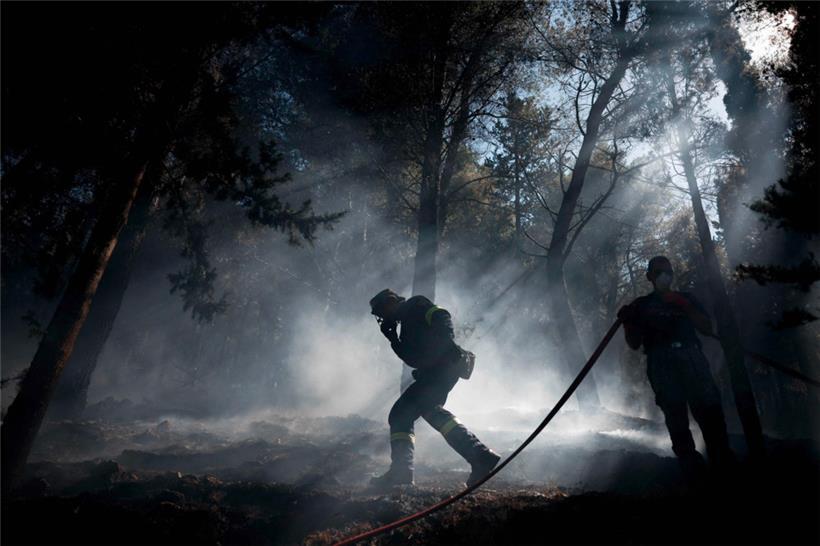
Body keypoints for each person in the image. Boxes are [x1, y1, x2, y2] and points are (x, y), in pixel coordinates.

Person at [368, 288, 500, 489]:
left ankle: (402, 472)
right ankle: (479, 456)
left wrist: (444, 344)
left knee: (402, 414)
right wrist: (393, 339)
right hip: (434, 373)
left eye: (381, 312)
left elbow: (441, 315)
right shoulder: (404, 325)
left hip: (442, 370)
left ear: (391, 303)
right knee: (425, 412)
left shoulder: (416, 304)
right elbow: (412, 360)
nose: (382, 317)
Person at [618, 256, 735, 478]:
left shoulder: (686, 298)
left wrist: (686, 307)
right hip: (661, 363)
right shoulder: (641, 306)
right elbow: (634, 343)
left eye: (668, 271)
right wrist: (627, 322)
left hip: (691, 358)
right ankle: (693, 472)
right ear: (650, 276)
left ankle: (723, 465)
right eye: (659, 271)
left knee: (710, 412)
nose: (665, 276)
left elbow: (707, 328)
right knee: (676, 417)